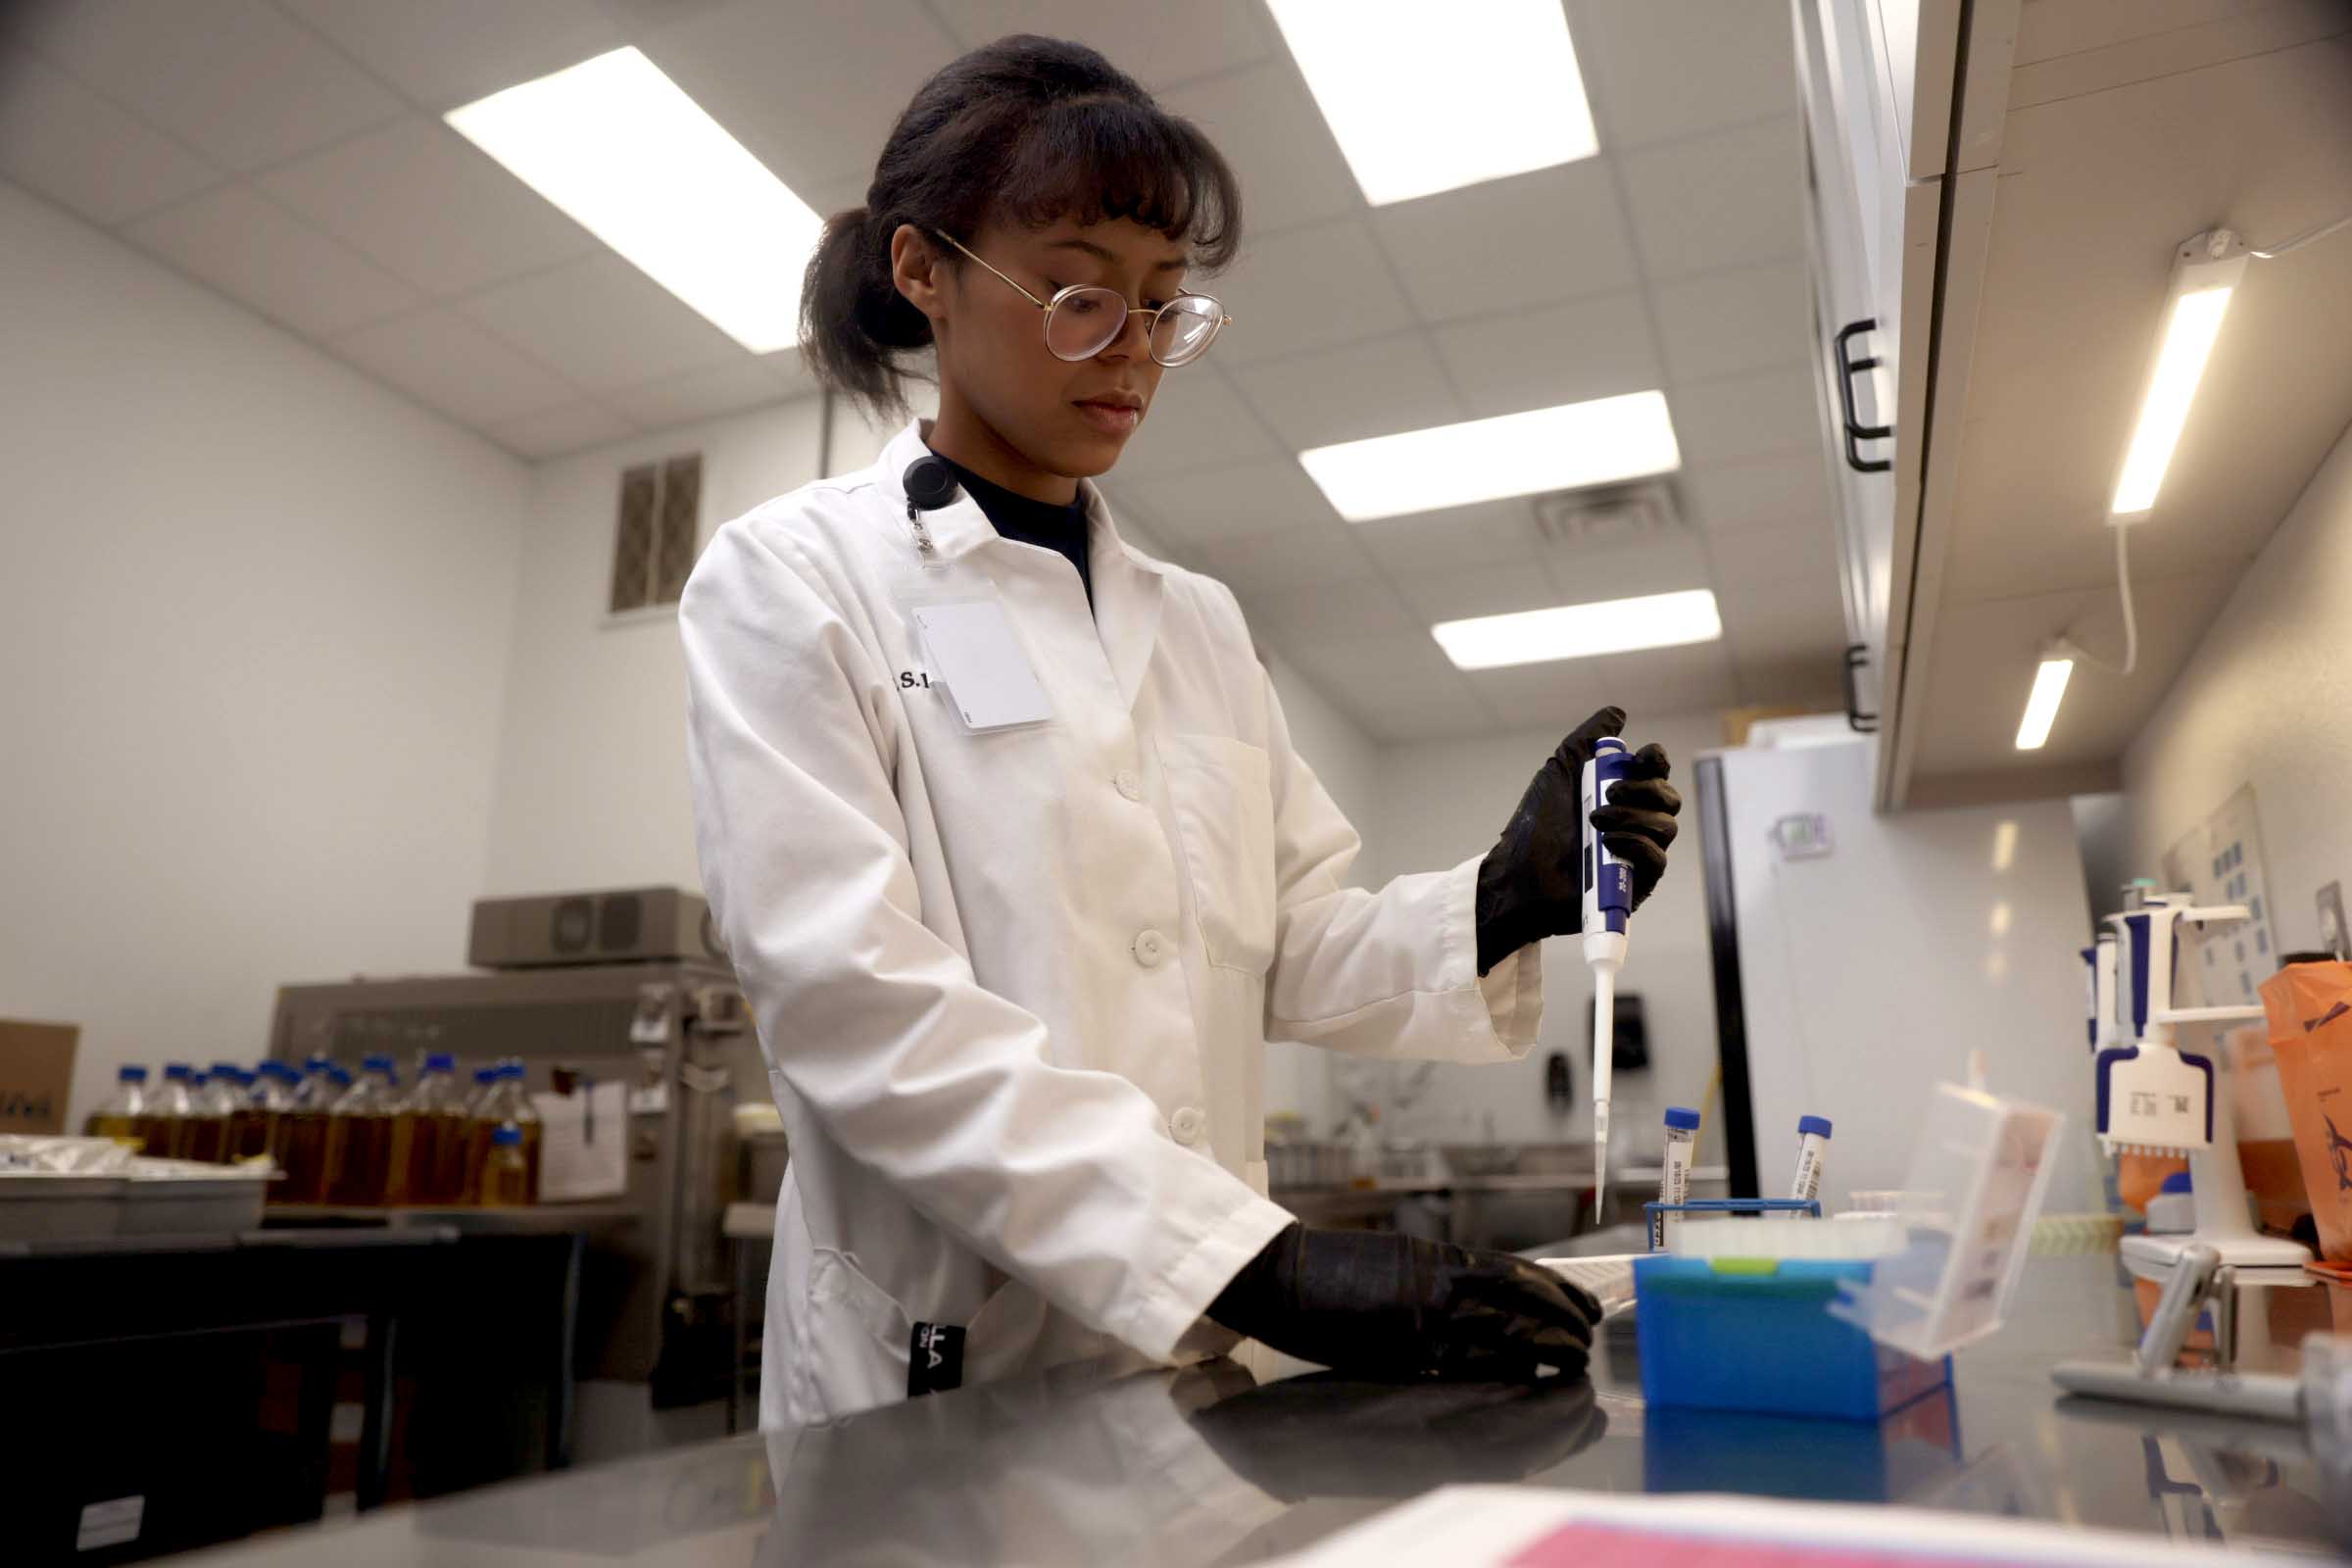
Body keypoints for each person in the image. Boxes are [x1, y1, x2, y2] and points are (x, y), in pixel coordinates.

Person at [681, 35, 1682, 1429]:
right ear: (924, 271)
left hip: (1191, 1377)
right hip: (941, 1375)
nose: (1136, 351)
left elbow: (1275, 940)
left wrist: (1503, 901)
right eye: (1082, 292)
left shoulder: (1199, 621)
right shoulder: (793, 579)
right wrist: (1250, 1260)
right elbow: (854, 1006)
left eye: (1165, 306)